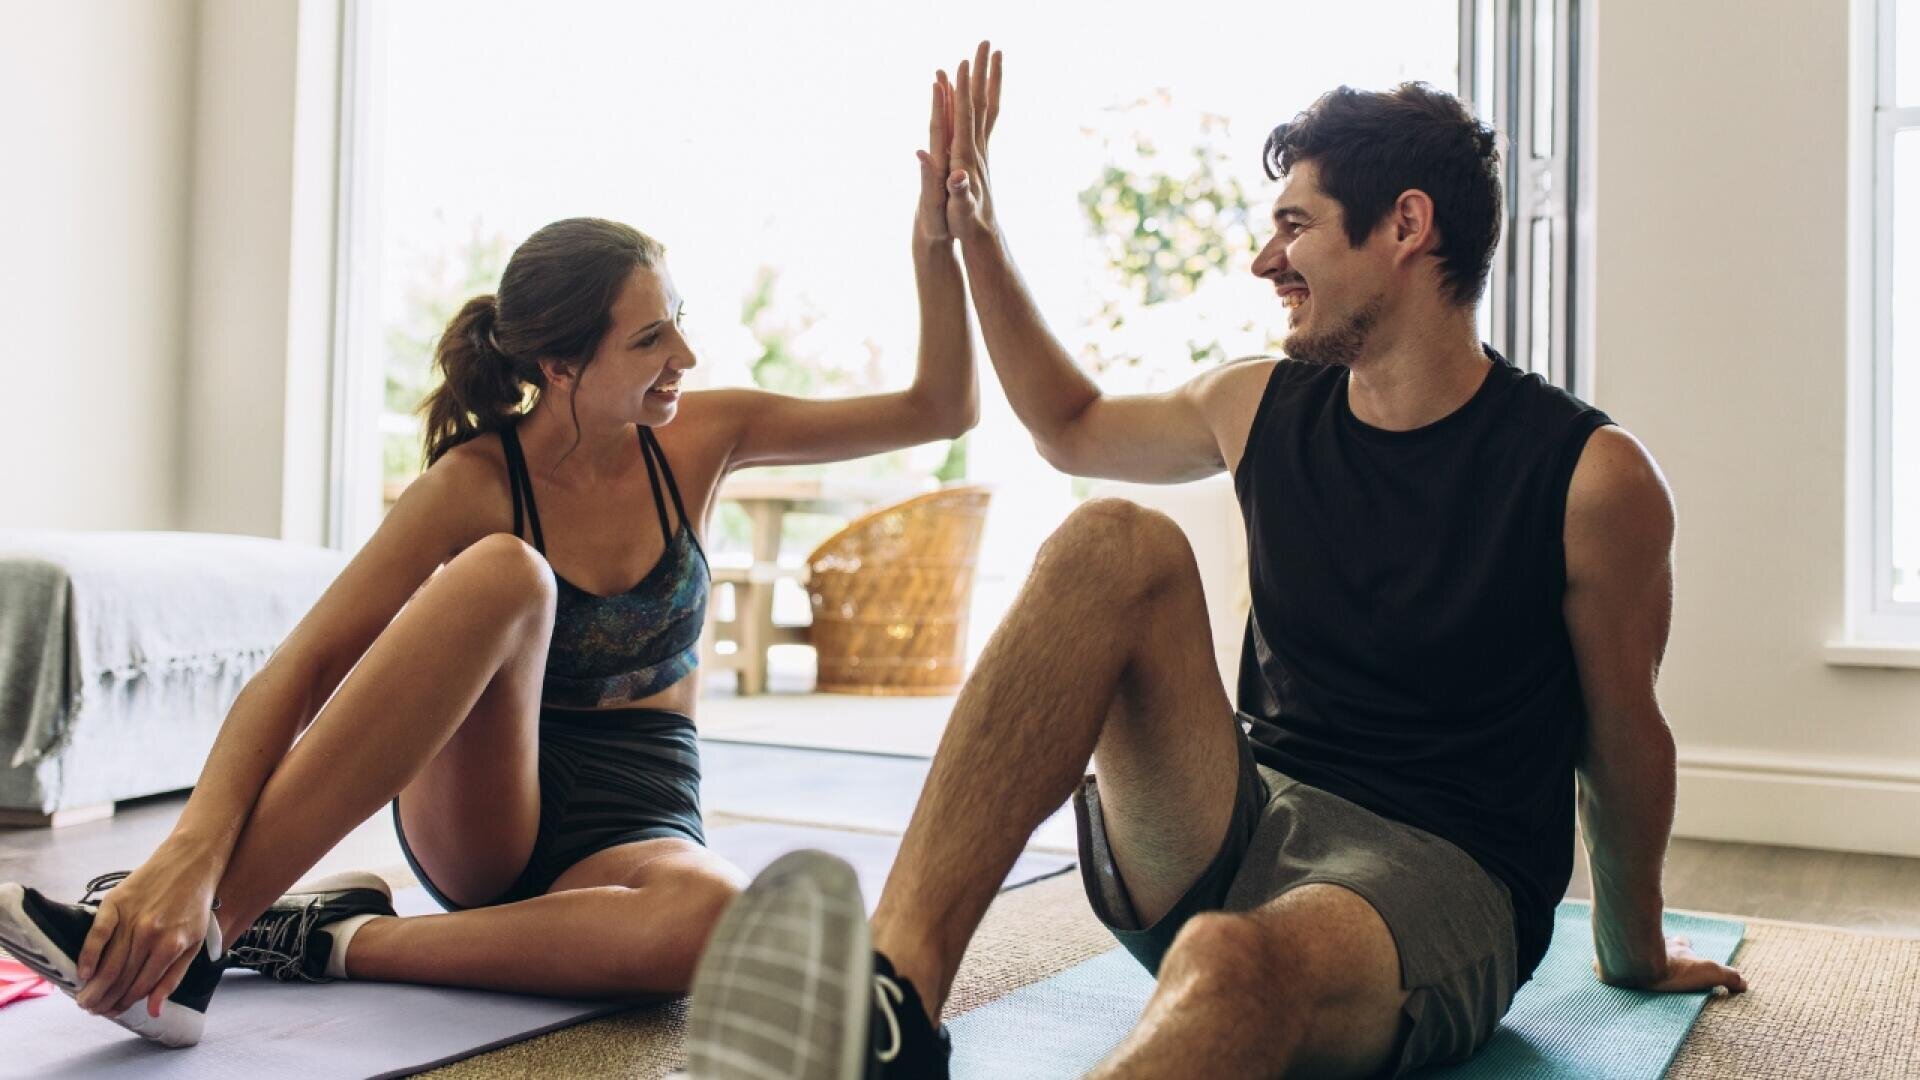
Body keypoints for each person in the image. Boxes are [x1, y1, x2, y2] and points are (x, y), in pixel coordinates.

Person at [681, 42, 1748, 1079]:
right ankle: (889, 1011)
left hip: (1440, 879)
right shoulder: (1259, 405)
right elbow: (1071, 426)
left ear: (1406, 227)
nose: (1263, 260)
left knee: (1228, 966)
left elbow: (1622, 733)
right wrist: (979, 236)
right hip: (1235, 814)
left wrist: (1633, 950)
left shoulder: (1591, 475)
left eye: (1296, 226)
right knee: (1113, 539)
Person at [0, 74, 976, 1048]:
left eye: (678, 316)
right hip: (488, 810)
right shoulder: (473, 483)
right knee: (510, 572)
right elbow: (302, 668)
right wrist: (191, 852)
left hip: (640, 818)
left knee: (717, 920)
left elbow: (941, 407)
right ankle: (210, 933)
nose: (686, 350)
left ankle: (327, 938)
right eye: (649, 337)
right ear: (560, 368)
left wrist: (938, 245)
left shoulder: (705, 439)